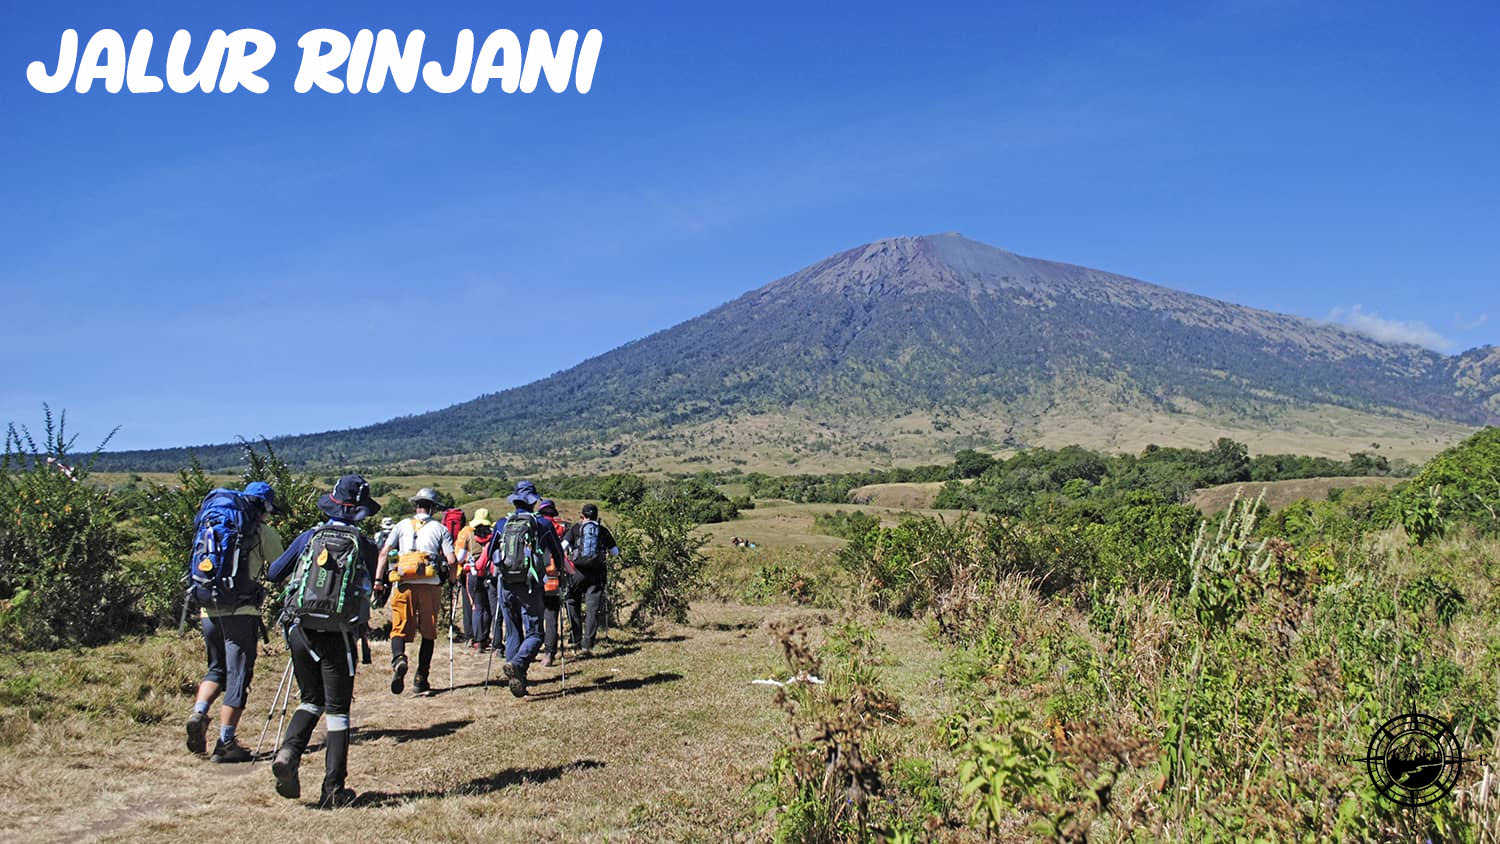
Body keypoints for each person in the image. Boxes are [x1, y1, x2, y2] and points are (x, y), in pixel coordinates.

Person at [265, 475, 381, 809]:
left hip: (300, 630)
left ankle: (289, 751)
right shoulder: (365, 544)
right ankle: (333, 788)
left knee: (311, 698)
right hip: (340, 634)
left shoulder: (309, 537)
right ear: (359, 511)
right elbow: (367, 587)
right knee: (338, 712)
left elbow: (275, 573)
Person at [185, 481, 284, 763]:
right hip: (242, 610)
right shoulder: (261, 531)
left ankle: (200, 712)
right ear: (263, 508)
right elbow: (280, 569)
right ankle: (226, 742)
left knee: (216, 669)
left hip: (208, 609)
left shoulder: (213, 524)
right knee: (238, 676)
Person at [374, 487, 457, 696]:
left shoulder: (401, 525)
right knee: (428, 632)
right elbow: (452, 560)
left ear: (417, 506)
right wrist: (454, 580)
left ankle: (399, 659)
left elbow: (384, 553)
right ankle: (421, 678)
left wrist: (378, 580)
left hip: (403, 582)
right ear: (433, 508)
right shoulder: (440, 529)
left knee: (399, 627)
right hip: (430, 583)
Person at [492, 481, 565, 696]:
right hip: (530, 585)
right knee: (535, 633)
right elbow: (558, 554)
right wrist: (559, 573)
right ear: (533, 502)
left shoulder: (501, 523)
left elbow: (490, 553)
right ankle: (519, 665)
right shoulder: (542, 524)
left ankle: (517, 678)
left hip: (505, 584)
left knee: (513, 630)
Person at [563, 503, 617, 659]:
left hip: (576, 573)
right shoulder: (602, 531)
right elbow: (615, 552)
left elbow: (562, 547)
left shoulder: (575, 529)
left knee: (572, 601)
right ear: (596, 516)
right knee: (592, 609)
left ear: (582, 516)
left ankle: (575, 636)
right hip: (597, 574)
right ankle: (588, 643)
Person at [537, 499, 569, 667]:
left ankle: (532, 648)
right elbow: (560, 553)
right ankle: (549, 653)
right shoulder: (559, 529)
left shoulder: (534, 526)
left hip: (534, 578)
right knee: (551, 616)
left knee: (534, 615)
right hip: (553, 577)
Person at [460, 508, 496, 652]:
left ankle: (478, 641)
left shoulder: (469, 535)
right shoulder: (493, 536)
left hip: (474, 574)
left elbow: (460, 558)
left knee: (477, 607)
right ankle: (487, 637)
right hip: (490, 574)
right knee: (488, 608)